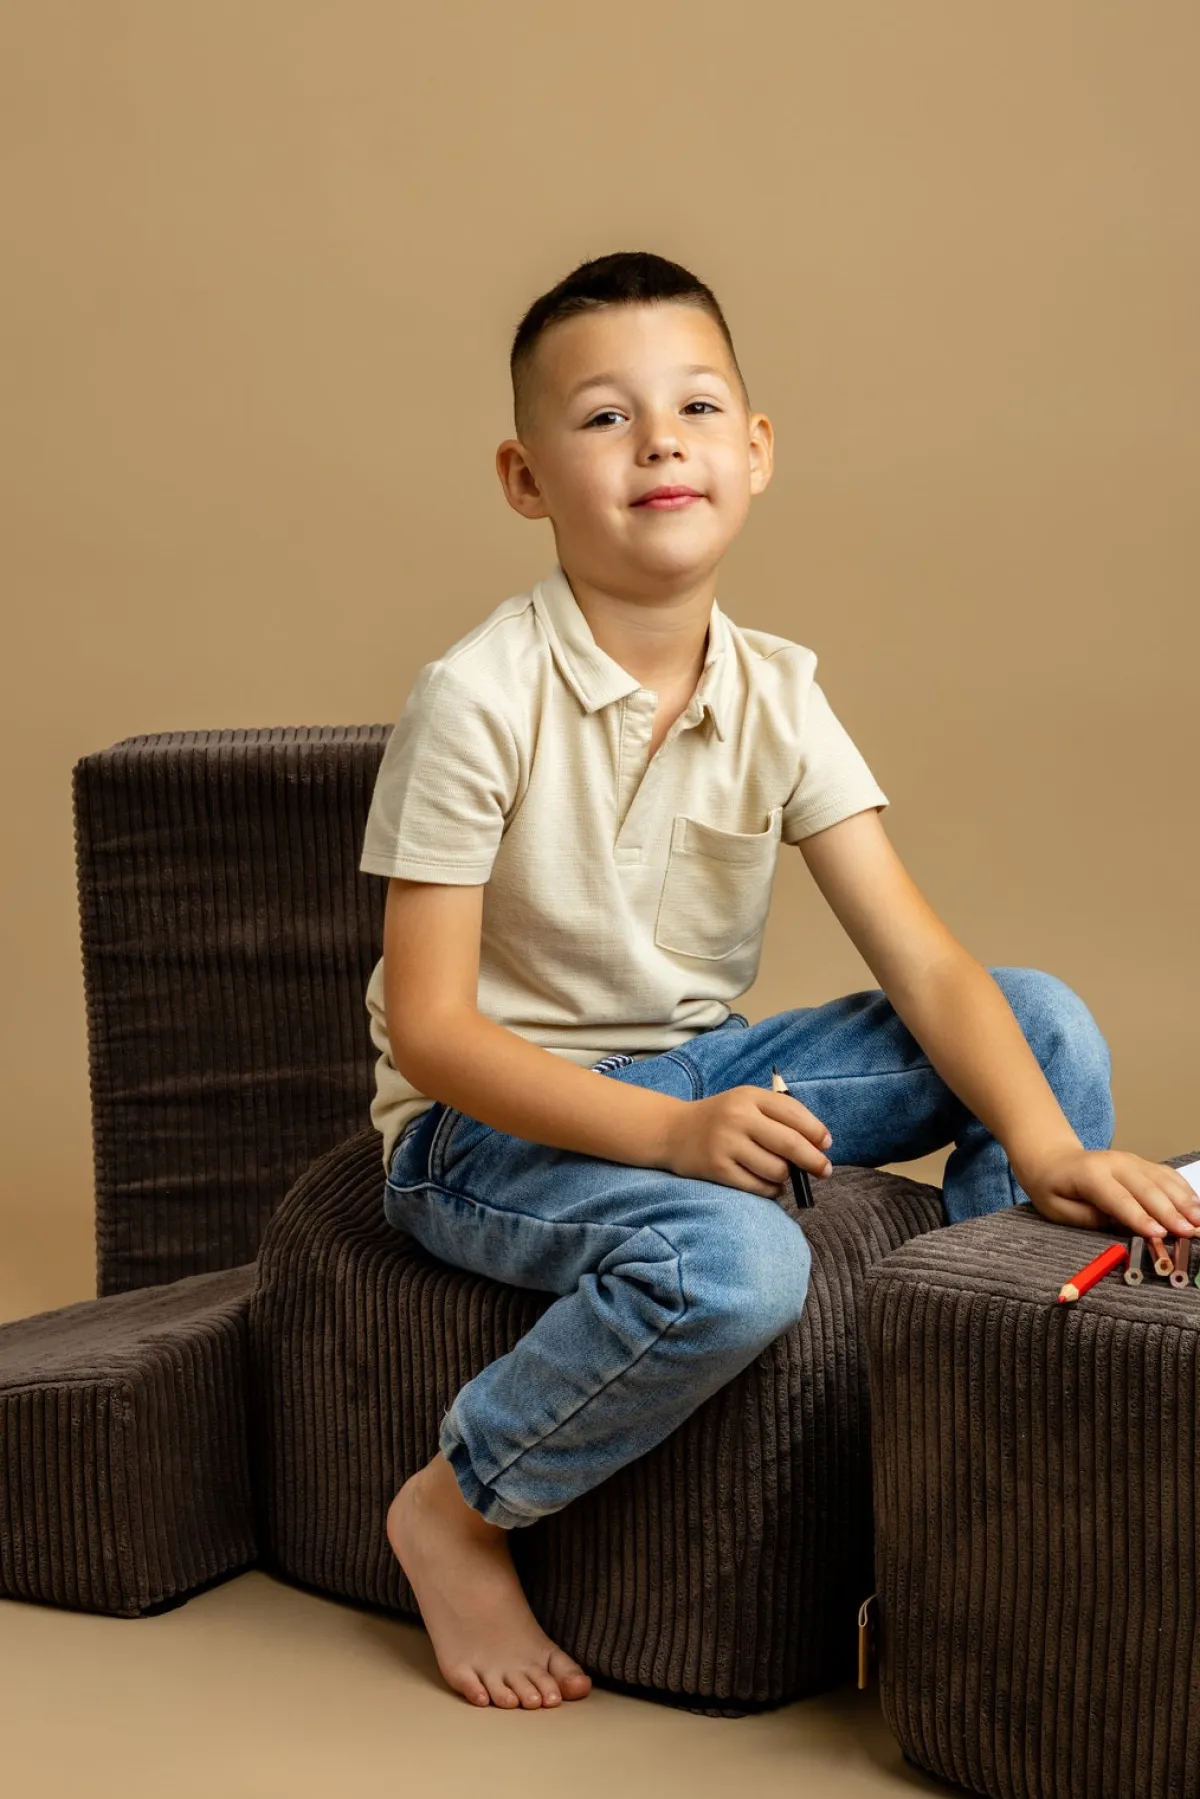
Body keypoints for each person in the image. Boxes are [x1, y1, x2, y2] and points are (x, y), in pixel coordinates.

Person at [357, 250, 1200, 1712]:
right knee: (744, 1267)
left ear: (755, 450)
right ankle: (459, 1503)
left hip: (700, 1061)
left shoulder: (776, 692)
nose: (660, 442)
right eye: (606, 417)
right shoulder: (477, 696)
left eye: (696, 407)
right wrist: (675, 1135)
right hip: (485, 1129)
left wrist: (1048, 1146)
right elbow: (432, 1031)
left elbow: (918, 956)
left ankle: (976, 1413)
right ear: (525, 477)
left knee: (1040, 1022)